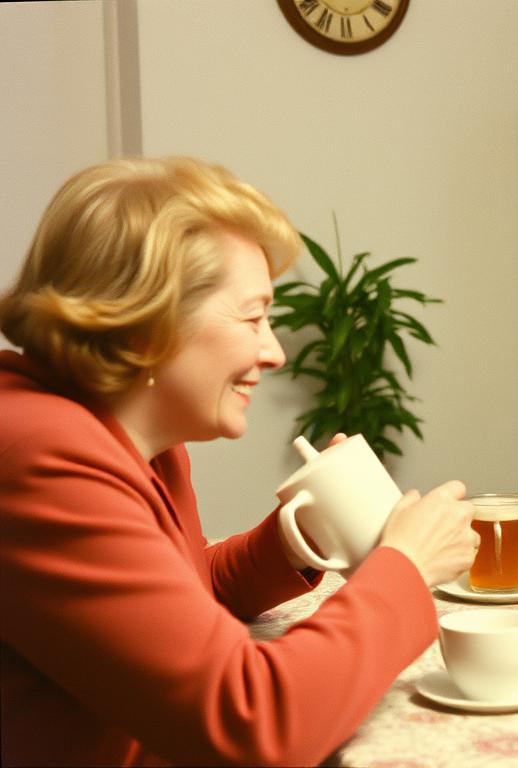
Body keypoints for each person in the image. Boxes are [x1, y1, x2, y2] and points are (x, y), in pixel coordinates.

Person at [0, 156, 479, 766]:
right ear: (147, 324)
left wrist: (295, 541)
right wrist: (404, 569)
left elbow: (178, 607)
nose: (274, 352)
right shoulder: (44, 460)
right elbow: (254, 722)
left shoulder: (136, 434)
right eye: (252, 317)